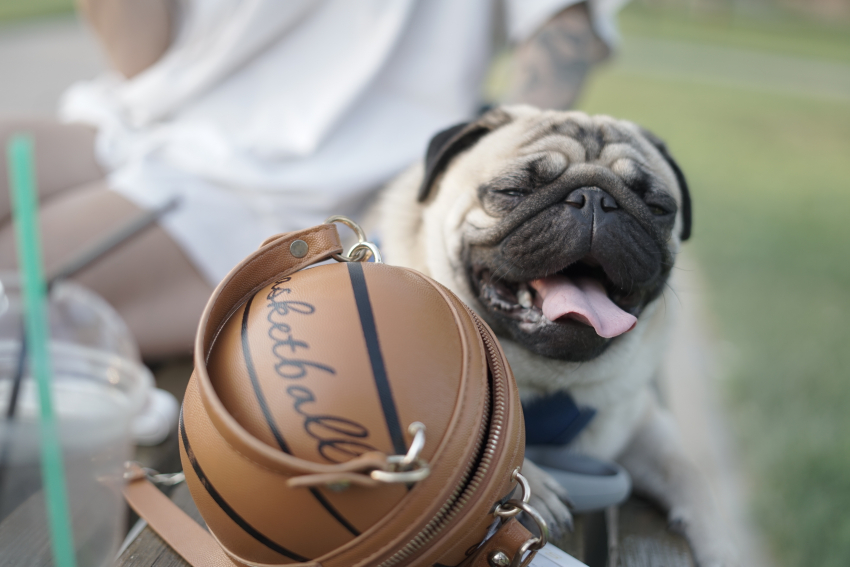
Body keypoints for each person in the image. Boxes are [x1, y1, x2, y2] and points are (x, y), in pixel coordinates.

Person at [0, 0, 624, 361]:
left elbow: (560, 26)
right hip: (152, 118)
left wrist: (496, 198)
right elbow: (140, 57)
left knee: (12, 282)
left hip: (304, 184)